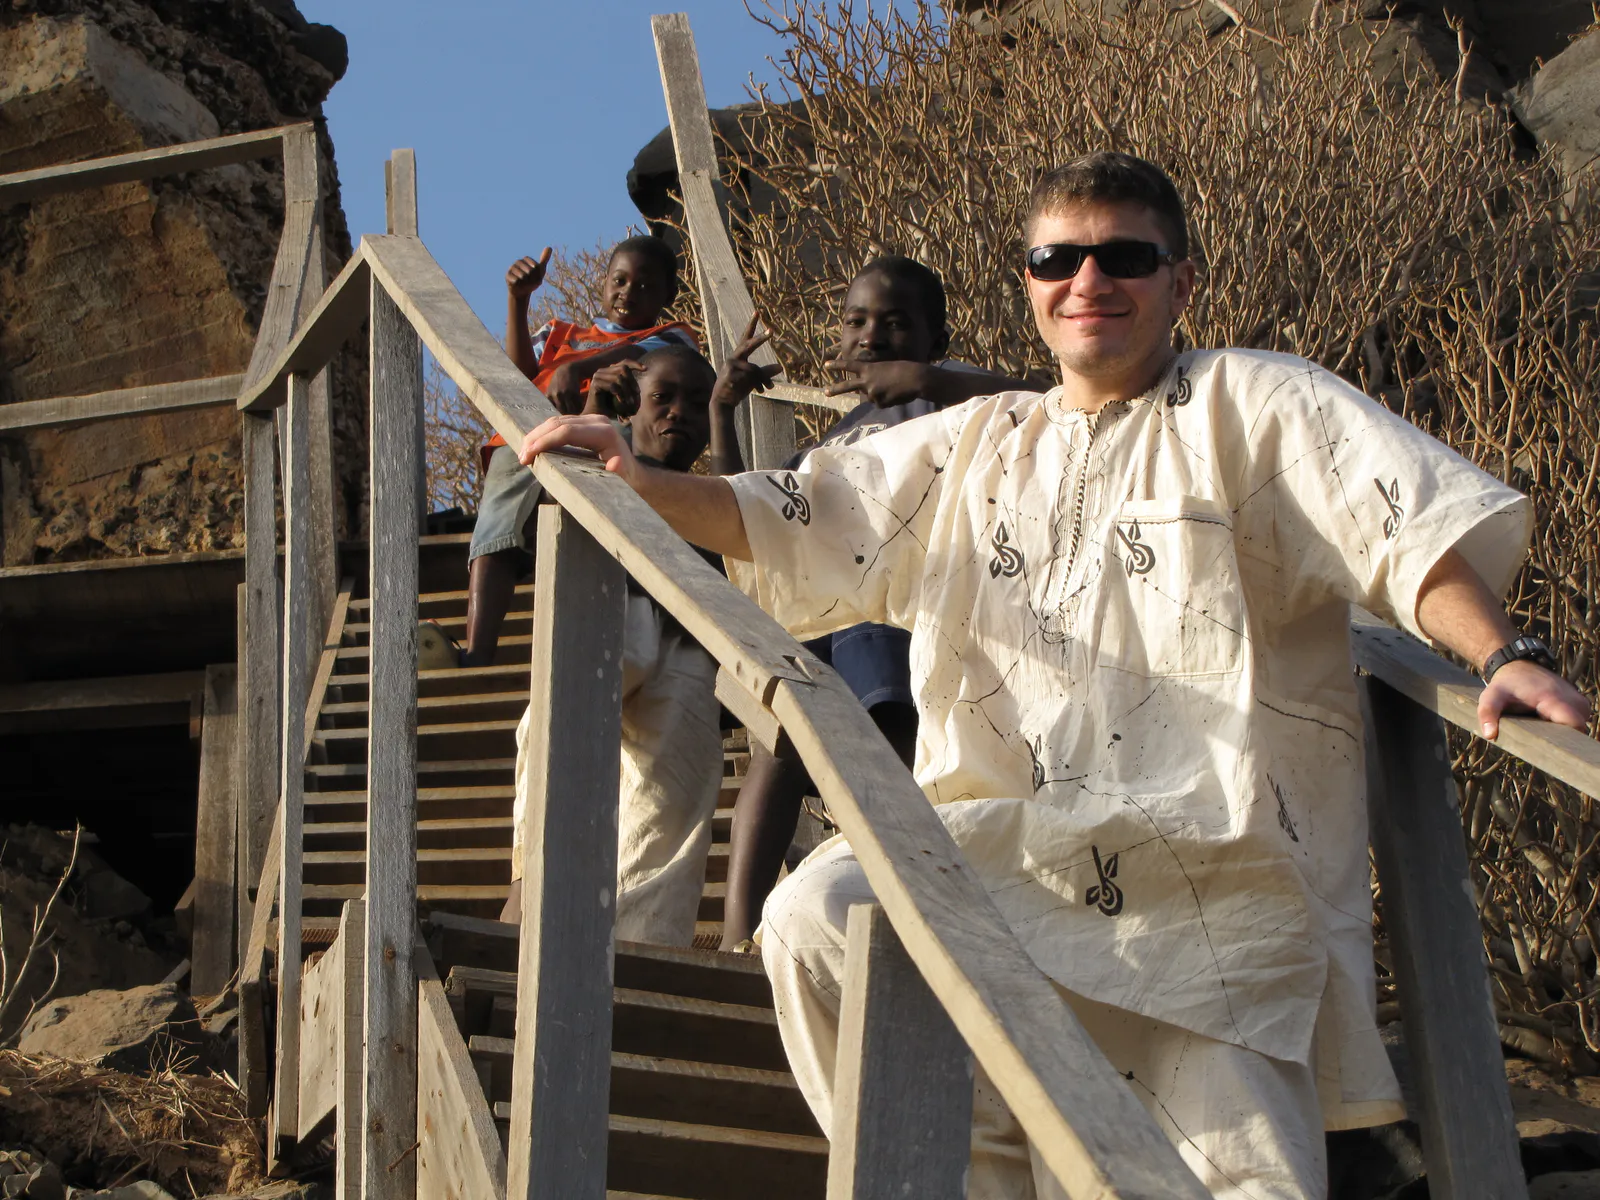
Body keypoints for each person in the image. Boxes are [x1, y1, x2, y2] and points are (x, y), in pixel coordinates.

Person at [517, 151, 1592, 1196]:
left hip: (1210, 893)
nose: (1088, 282)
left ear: (1180, 281)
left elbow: (1392, 518)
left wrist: (1501, 654)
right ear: (1027, 284)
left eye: (1124, 257)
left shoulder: (1256, 403)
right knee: (821, 918)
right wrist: (639, 477)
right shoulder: (971, 444)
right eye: (1056, 261)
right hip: (994, 860)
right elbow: (794, 512)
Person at [720, 255, 1033, 951]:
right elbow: (748, 511)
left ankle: (907, 886)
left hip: (904, 605)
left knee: (890, 720)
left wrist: (932, 381)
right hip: (824, 611)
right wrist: (723, 410)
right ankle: (738, 933)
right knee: (780, 747)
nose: (872, 335)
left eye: (896, 323)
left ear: (935, 339)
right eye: (857, 321)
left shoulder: (954, 404)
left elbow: (1044, 400)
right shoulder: (828, 441)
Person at [501, 328, 778, 947]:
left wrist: (725, 411)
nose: (679, 411)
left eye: (695, 402)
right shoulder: (603, 460)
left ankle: (639, 950)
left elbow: (743, 518)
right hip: (610, 609)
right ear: (636, 403)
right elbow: (544, 512)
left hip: (688, 648)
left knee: (671, 808)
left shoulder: (703, 494)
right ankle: (527, 905)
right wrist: (592, 414)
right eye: (664, 398)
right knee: (556, 737)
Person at [460, 235, 697, 668]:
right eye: (619, 281)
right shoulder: (559, 333)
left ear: (669, 295)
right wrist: (517, 301)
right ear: (604, 284)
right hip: (531, 441)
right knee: (499, 515)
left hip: (606, 441)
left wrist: (580, 367)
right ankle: (478, 650)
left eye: (645, 286)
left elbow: (645, 356)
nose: (628, 292)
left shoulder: (673, 337)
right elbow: (516, 379)